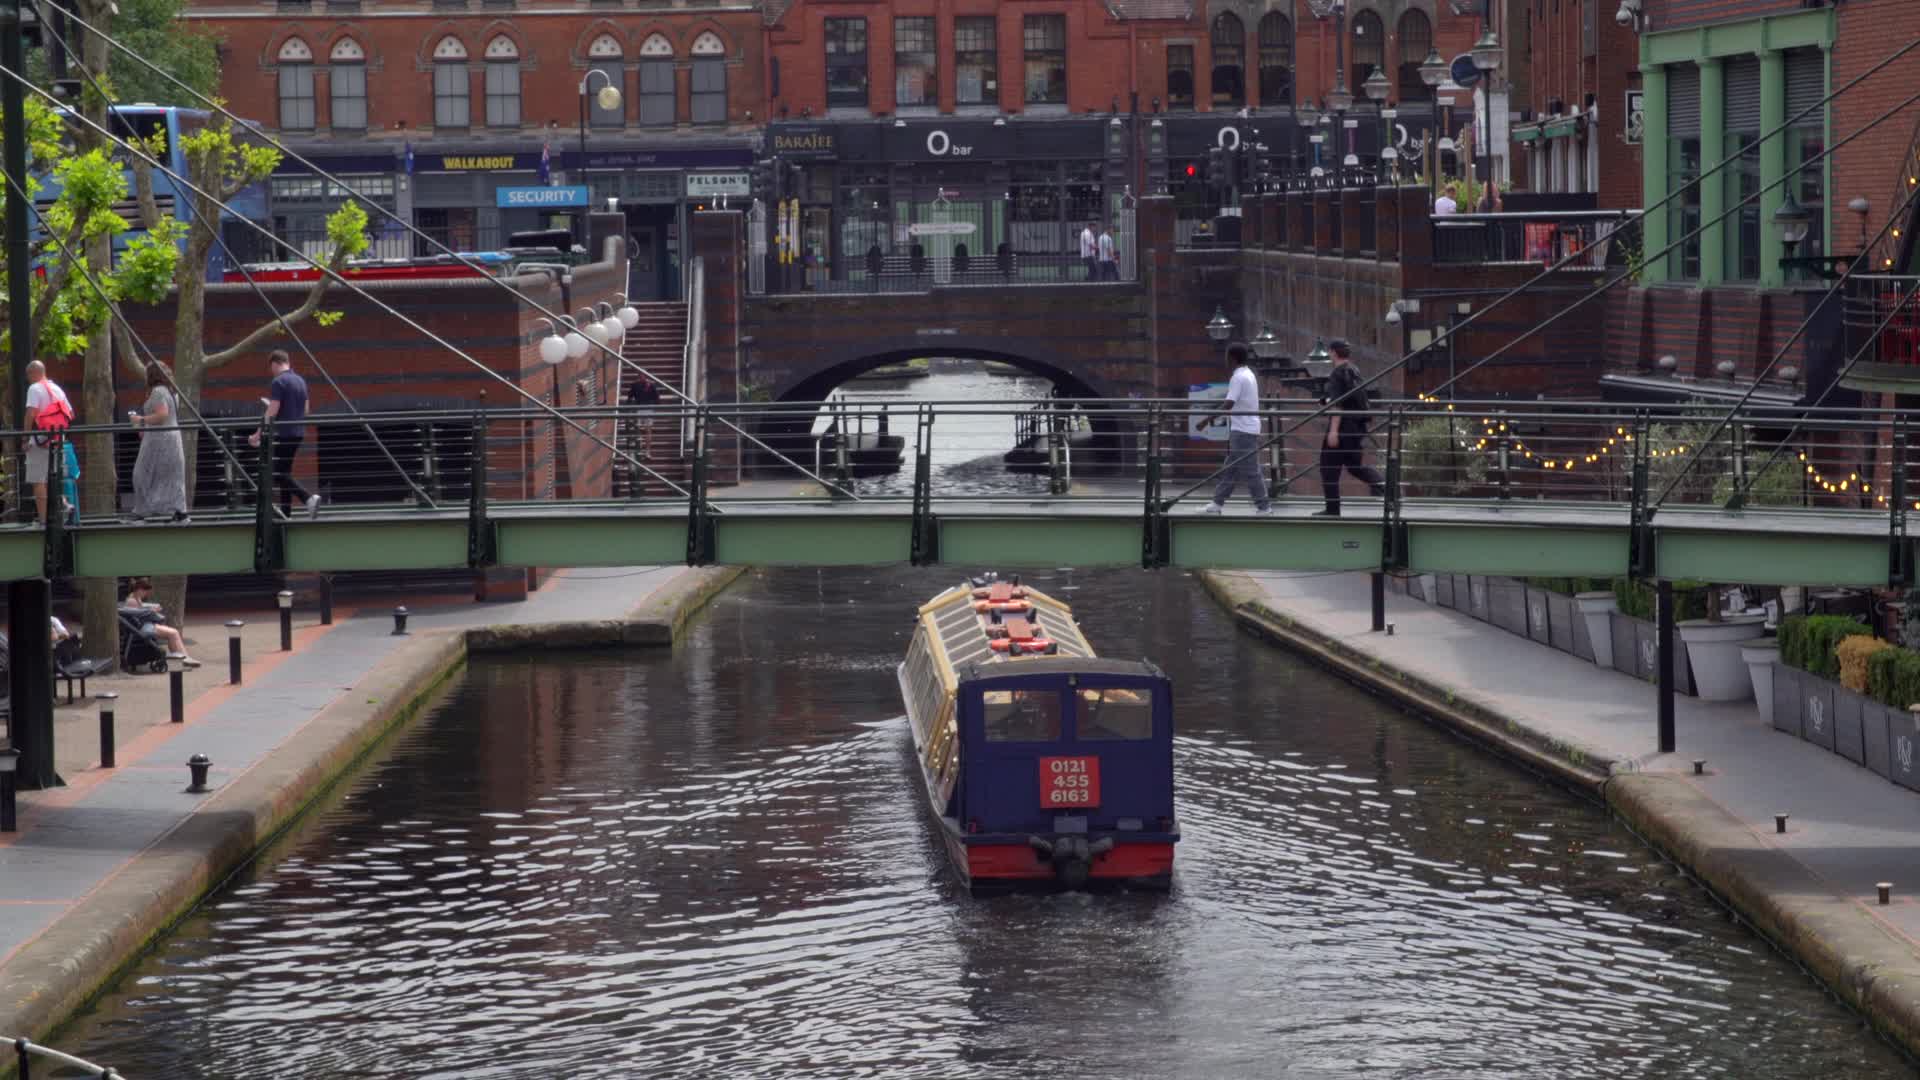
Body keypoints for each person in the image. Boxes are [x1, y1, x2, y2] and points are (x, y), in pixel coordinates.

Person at [1315, 339, 1386, 518]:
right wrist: (1327, 400)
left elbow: (1338, 405)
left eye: (1330, 352)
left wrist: (1333, 431)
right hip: (1357, 427)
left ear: (1333, 353)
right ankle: (1387, 488)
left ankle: (1332, 510)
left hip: (1343, 428)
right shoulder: (1354, 370)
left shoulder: (1337, 374)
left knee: (1328, 468)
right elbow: (1350, 398)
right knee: (1355, 466)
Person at [247, 350, 321, 519]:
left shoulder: (278, 381)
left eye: (271, 368)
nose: (271, 372)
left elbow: (272, 411)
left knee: (279, 474)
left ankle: (308, 498)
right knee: (284, 472)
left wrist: (257, 434)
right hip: (298, 431)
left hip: (284, 433)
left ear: (275, 363)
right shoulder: (300, 381)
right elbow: (306, 410)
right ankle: (286, 512)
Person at [1203, 342, 1272, 516]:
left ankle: (1264, 507)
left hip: (1243, 431)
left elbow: (1228, 404)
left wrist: (1206, 420)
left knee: (1251, 470)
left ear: (1232, 358)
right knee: (1230, 469)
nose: (1225, 359)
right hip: (1245, 429)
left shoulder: (1238, 377)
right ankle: (1217, 503)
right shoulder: (1249, 374)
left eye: (1226, 356)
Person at [129, 362, 189, 523]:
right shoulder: (171, 392)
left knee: (140, 473)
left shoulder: (158, 392)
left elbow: (162, 415)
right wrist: (144, 425)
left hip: (159, 440)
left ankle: (143, 511)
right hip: (172, 438)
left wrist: (140, 419)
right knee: (170, 477)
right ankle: (177, 512)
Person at [23, 360, 74, 523]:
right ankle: (64, 504)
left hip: (40, 439)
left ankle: (44, 520)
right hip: (58, 438)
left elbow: (30, 413)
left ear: (33, 373)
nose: (28, 379)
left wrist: (25, 438)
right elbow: (70, 413)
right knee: (55, 477)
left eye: (28, 375)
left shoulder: (34, 388)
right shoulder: (57, 389)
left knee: (38, 480)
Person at [120, 577, 200, 666]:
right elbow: (141, 615)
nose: (146, 594)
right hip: (144, 627)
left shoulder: (135, 598)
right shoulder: (132, 601)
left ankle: (182, 656)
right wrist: (153, 612)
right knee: (173, 633)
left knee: (173, 633)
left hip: (144, 625)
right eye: (146, 592)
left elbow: (140, 612)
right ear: (140, 590)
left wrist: (151, 610)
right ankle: (184, 657)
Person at [627, 374, 663, 459]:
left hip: (645, 409)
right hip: (642, 409)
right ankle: (643, 451)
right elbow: (657, 399)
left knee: (645, 430)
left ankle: (646, 451)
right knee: (642, 430)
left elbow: (629, 397)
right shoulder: (637, 385)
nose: (642, 378)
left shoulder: (646, 385)